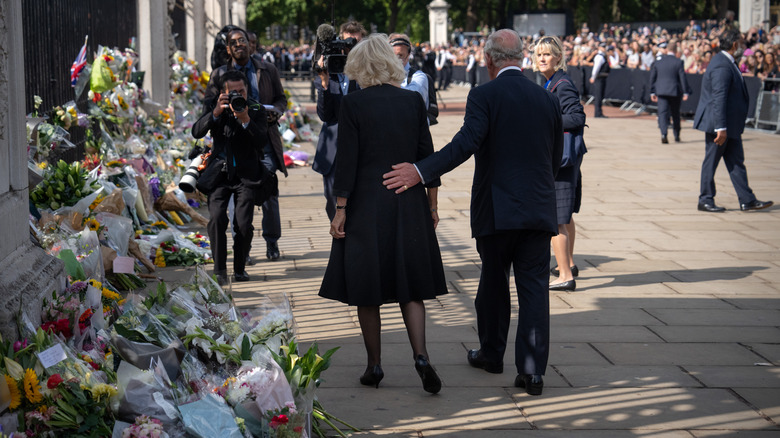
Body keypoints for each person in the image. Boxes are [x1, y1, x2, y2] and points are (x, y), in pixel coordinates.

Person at [383, 29, 563, 396]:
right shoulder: (547, 97)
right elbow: (555, 155)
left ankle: (492, 354)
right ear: (522, 58)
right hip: (538, 207)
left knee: (494, 284)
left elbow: (464, 144)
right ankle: (532, 372)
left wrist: (420, 171)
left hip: (497, 209)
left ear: (488, 60)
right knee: (534, 290)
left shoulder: (484, 94)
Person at [318, 34, 446, 395]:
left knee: (367, 288)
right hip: (408, 199)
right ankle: (421, 356)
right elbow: (427, 156)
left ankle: (374, 365)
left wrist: (340, 209)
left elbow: (347, 162)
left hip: (366, 204)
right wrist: (433, 204)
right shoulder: (412, 101)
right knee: (411, 286)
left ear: (360, 65)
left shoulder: (354, 104)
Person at [204, 28, 288, 261]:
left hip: (263, 139)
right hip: (233, 145)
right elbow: (208, 105)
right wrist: (219, 110)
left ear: (251, 45)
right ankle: (243, 249)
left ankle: (272, 241)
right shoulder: (219, 74)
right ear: (228, 49)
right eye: (234, 42)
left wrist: (276, 111)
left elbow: (281, 98)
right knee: (238, 197)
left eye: (243, 40)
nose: (239, 45)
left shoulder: (267, 70)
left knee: (268, 191)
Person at [192, 70, 268, 285]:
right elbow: (196, 132)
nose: (237, 96)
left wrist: (246, 120)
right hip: (219, 174)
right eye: (232, 92)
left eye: (241, 91)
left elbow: (262, 141)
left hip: (246, 174)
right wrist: (216, 112)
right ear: (223, 92)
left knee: (243, 224)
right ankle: (219, 270)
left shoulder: (255, 109)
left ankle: (240, 267)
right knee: (216, 218)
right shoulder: (215, 106)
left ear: (247, 90)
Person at [693, 29, 773, 213]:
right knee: (711, 161)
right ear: (735, 44)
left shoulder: (727, 62)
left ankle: (747, 200)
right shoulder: (722, 64)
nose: (745, 47)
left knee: (736, 162)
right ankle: (705, 199)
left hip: (730, 124)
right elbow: (719, 97)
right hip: (720, 125)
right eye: (742, 43)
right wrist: (721, 127)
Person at [533, 35, 586, 292]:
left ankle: (565, 275)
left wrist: (546, 119)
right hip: (564, 159)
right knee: (565, 216)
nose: (542, 59)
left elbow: (577, 117)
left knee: (556, 219)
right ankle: (569, 264)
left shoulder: (562, 84)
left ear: (558, 57)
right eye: (538, 54)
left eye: (547, 54)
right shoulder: (552, 81)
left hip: (562, 161)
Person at [313, 21, 367, 221]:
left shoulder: (369, 70)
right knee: (332, 198)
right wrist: (325, 82)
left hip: (362, 144)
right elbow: (324, 115)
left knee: (360, 199)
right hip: (334, 147)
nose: (350, 49)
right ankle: (338, 233)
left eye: (355, 44)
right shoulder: (330, 69)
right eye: (347, 43)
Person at [649, 41, 692, 144]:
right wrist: (685, 92)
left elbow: (652, 78)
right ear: (676, 50)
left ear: (667, 49)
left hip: (662, 91)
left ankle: (664, 134)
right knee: (675, 113)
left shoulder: (658, 61)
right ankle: (676, 135)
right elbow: (682, 78)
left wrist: (652, 92)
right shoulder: (678, 61)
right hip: (674, 91)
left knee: (662, 113)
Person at [389, 33, 429, 108]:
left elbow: (409, 101)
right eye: (392, 55)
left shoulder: (418, 77)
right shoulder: (383, 75)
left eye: (400, 55)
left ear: (408, 54)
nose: (396, 59)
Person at [590, 42, 609, 118]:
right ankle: (598, 113)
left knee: (600, 95)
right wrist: (593, 77)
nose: (604, 48)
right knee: (598, 95)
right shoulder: (599, 57)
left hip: (602, 78)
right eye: (603, 47)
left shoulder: (603, 56)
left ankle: (599, 112)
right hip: (599, 78)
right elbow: (596, 68)